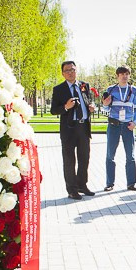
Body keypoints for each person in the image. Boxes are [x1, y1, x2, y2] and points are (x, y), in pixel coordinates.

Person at [51, 60, 95, 200]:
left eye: (73, 69)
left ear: (76, 70)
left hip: (83, 127)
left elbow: (88, 101)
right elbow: (53, 110)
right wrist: (66, 107)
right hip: (69, 129)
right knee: (69, 160)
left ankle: (82, 185)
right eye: (67, 70)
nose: (70, 72)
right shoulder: (59, 89)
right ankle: (72, 189)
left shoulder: (84, 86)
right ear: (63, 74)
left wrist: (91, 107)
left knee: (84, 158)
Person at [102, 66, 136, 192]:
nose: (124, 76)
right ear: (117, 76)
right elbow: (106, 108)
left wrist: (134, 122)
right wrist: (105, 105)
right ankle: (109, 183)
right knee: (110, 155)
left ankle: (131, 183)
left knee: (130, 155)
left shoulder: (134, 90)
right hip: (114, 125)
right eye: (122, 74)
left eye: (127, 74)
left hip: (128, 126)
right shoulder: (111, 89)